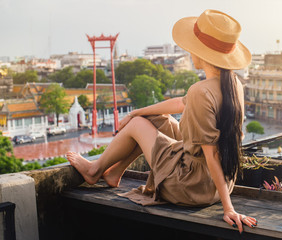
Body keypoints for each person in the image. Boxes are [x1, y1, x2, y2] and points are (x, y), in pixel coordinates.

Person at [66, 9, 257, 233]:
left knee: (138, 126)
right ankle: (114, 173)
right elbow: (179, 103)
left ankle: (94, 170)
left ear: (201, 53)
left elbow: (211, 153)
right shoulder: (234, 85)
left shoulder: (201, 91)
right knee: (156, 119)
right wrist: (137, 111)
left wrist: (228, 209)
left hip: (190, 185)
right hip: (215, 183)